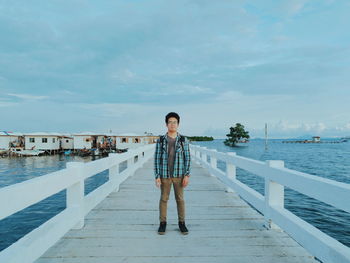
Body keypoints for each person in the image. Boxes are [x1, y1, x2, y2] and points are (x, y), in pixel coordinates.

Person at [154, 112, 191, 235]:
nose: (172, 124)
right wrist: (157, 176)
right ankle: (162, 223)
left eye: (175, 122)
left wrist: (187, 175)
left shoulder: (183, 140)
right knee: (164, 199)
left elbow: (188, 158)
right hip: (165, 175)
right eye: (170, 122)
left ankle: (182, 223)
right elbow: (156, 158)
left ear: (178, 124)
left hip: (179, 175)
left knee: (180, 199)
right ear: (166, 124)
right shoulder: (161, 140)